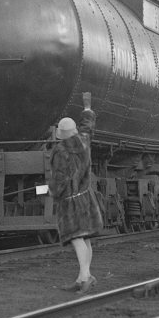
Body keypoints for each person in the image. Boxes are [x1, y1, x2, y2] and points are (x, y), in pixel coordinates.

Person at [49, 104, 104, 293]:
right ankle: (82, 278)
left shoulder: (60, 150)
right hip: (86, 196)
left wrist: (54, 193)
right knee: (85, 237)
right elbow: (88, 126)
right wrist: (88, 108)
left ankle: (86, 276)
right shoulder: (84, 141)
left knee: (76, 238)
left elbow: (59, 178)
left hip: (70, 201)